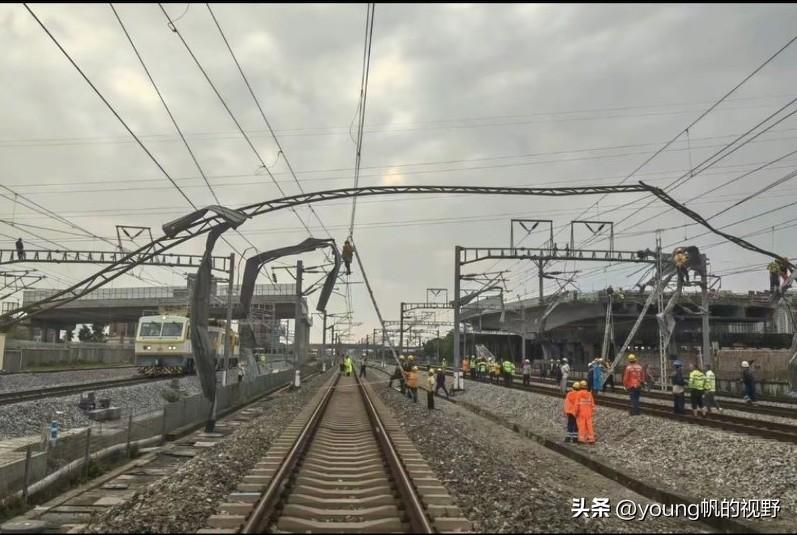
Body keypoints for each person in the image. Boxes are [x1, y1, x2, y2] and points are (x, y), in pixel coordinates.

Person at [576, 380, 595, 444]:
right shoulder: (589, 394)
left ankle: (581, 439)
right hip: (589, 413)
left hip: (581, 413)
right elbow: (592, 404)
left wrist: (575, 413)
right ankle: (591, 439)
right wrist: (592, 412)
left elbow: (577, 405)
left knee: (582, 426)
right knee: (589, 426)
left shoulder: (578, 394)